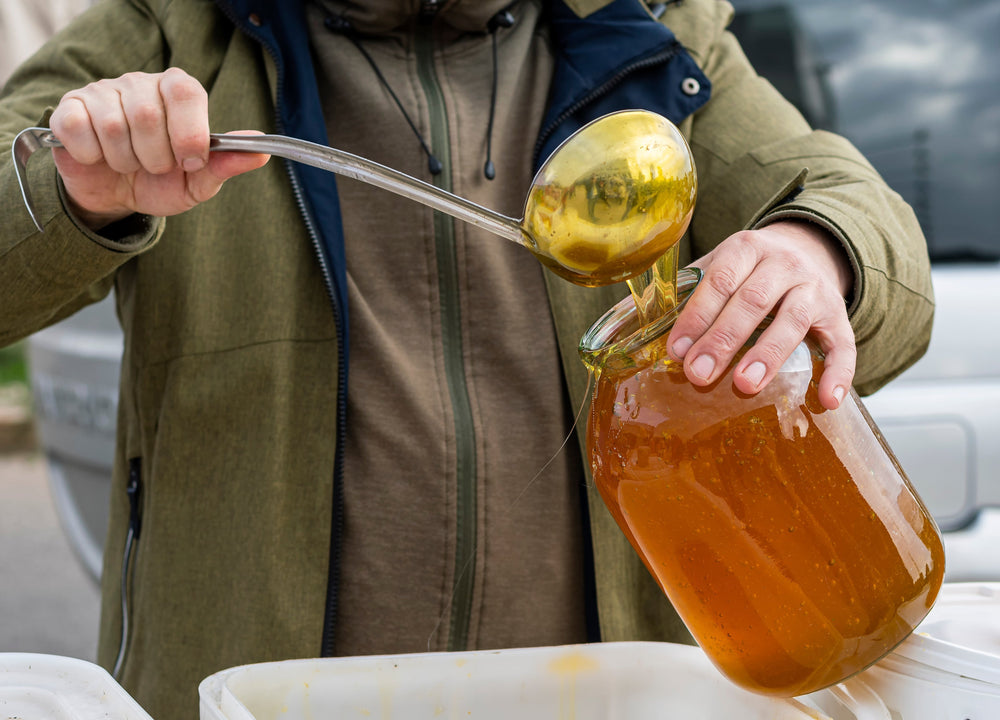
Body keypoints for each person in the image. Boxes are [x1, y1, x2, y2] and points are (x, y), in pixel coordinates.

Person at [0, 0, 933, 719]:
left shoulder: (643, 28)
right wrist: (76, 195)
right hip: (253, 693)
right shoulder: (163, 30)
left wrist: (822, 249)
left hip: (596, 695)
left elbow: (856, 210)